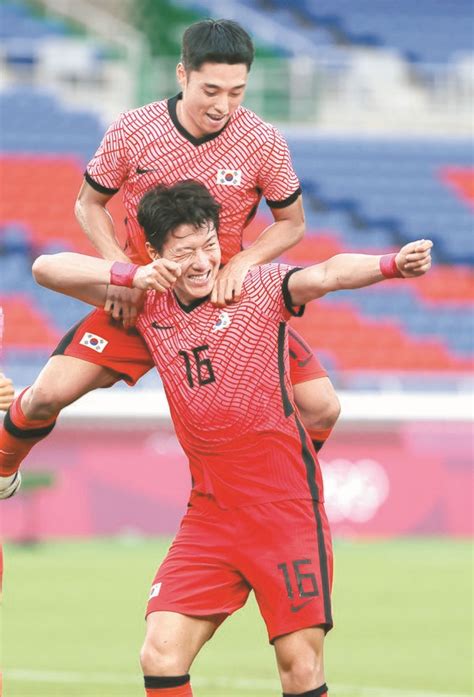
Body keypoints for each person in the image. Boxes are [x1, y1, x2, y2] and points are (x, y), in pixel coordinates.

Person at [30, 181, 433, 696]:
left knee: (299, 668)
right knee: (160, 652)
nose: (202, 262)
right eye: (184, 252)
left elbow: (327, 273)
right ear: (155, 253)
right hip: (210, 515)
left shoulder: (256, 287)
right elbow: (47, 269)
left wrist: (392, 264)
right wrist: (133, 275)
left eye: (208, 245)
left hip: (285, 512)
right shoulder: (148, 300)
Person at [0, 19, 341, 499]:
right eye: (211, 90)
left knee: (322, 406)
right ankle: (1, 470)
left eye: (237, 92)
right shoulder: (133, 129)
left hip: (222, 301)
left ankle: (270, 491)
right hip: (143, 295)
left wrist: (244, 264)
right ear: (182, 75)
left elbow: (293, 223)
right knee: (45, 397)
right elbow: (87, 203)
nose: (223, 106)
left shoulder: (263, 142)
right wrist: (120, 269)